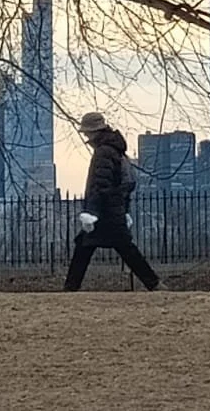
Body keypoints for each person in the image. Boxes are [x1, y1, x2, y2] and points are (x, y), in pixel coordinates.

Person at [63, 111, 161, 292]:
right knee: (121, 248)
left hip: (104, 211)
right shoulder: (117, 151)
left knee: (91, 247)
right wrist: (124, 210)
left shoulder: (103, 152)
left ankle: (70, 288)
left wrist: (91, 213)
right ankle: (154, 283)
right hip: (114, 209)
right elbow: (125, 183)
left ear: (93, 132)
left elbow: (99, 185)